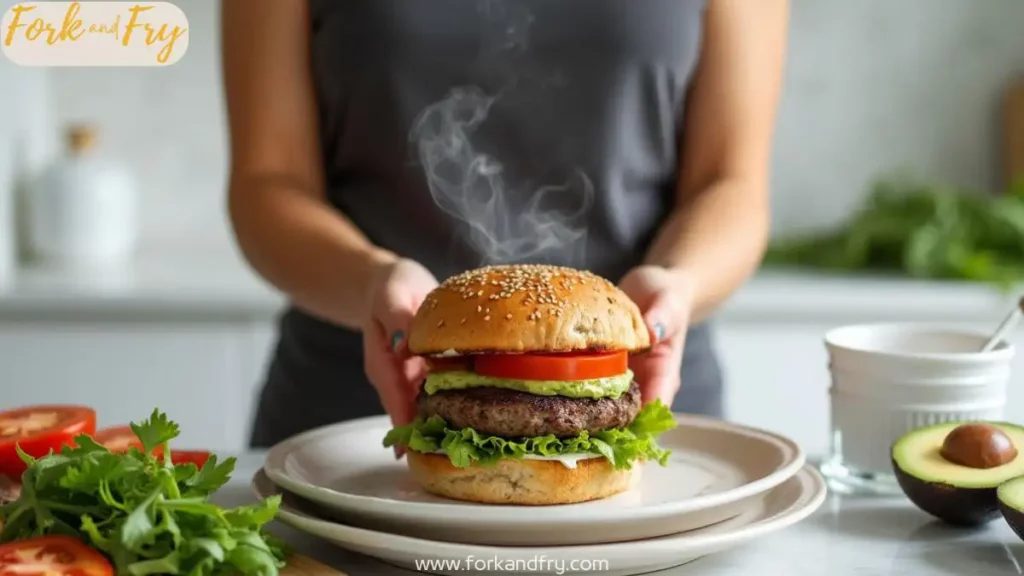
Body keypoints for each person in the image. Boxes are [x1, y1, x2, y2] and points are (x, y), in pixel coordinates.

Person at [221, 0, 789, 448]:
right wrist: (373, 279)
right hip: (347, 419)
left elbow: (731, 184)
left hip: (649, 391)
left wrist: (677, 283)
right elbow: (268, 182)